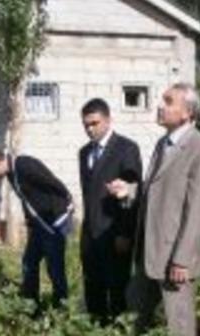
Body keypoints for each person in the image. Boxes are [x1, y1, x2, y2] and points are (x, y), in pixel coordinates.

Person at [106, 83, 200, 336]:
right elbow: (159, 190)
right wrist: (131, 191)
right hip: (149, 250)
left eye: (168, 101)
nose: (160, 105)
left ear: (187, 112)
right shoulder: (162, 144)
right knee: (133, 316)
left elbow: (199, 209)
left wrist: (182, 259)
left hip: (176, 256)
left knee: (178, 326)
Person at [0, 147, 74, 309]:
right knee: (29, 262)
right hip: (39, 226)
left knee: (54, 269)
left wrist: (63, 211)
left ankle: (61, 309)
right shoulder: (11, 173)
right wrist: (31, 224)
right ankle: (31, 306)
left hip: (52, 224)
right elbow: (27, 200)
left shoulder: (24, 165)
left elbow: (53, 183)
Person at [78, 98, 143, 322]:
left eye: (94, 123)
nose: (90, 129)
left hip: (115, 232)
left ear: (108, 120)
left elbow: (133, 193)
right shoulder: (84, 153)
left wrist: (125, 233)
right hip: (91, 233)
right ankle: (96, 330)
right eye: (86, 124)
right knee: (92, 285)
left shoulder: (126, 149)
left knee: (117, 287)